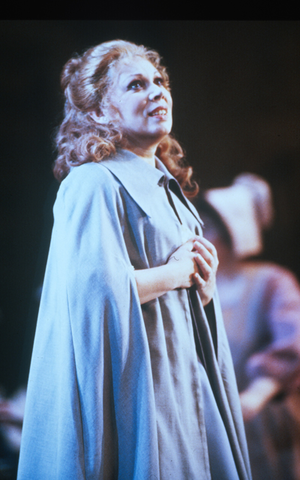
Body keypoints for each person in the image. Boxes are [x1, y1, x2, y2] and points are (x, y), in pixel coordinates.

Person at [17, 40, 251, 480]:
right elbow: (92, 298)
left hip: (187, 380)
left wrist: (202, 286)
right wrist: (177, 273)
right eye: (137, 85)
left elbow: (181, 297)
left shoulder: (174, 194)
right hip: (141, 389)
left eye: (160, 82)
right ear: (101, 112)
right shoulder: (92, 184)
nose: (158, 92)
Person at [194, 173, 300, 480]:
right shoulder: (195, 290)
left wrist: (255, 396)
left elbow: (294, 342)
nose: (200, 235)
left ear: (232, 235)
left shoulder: (271, 281)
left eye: (209, 228)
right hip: (214, 424)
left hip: (263, 422)